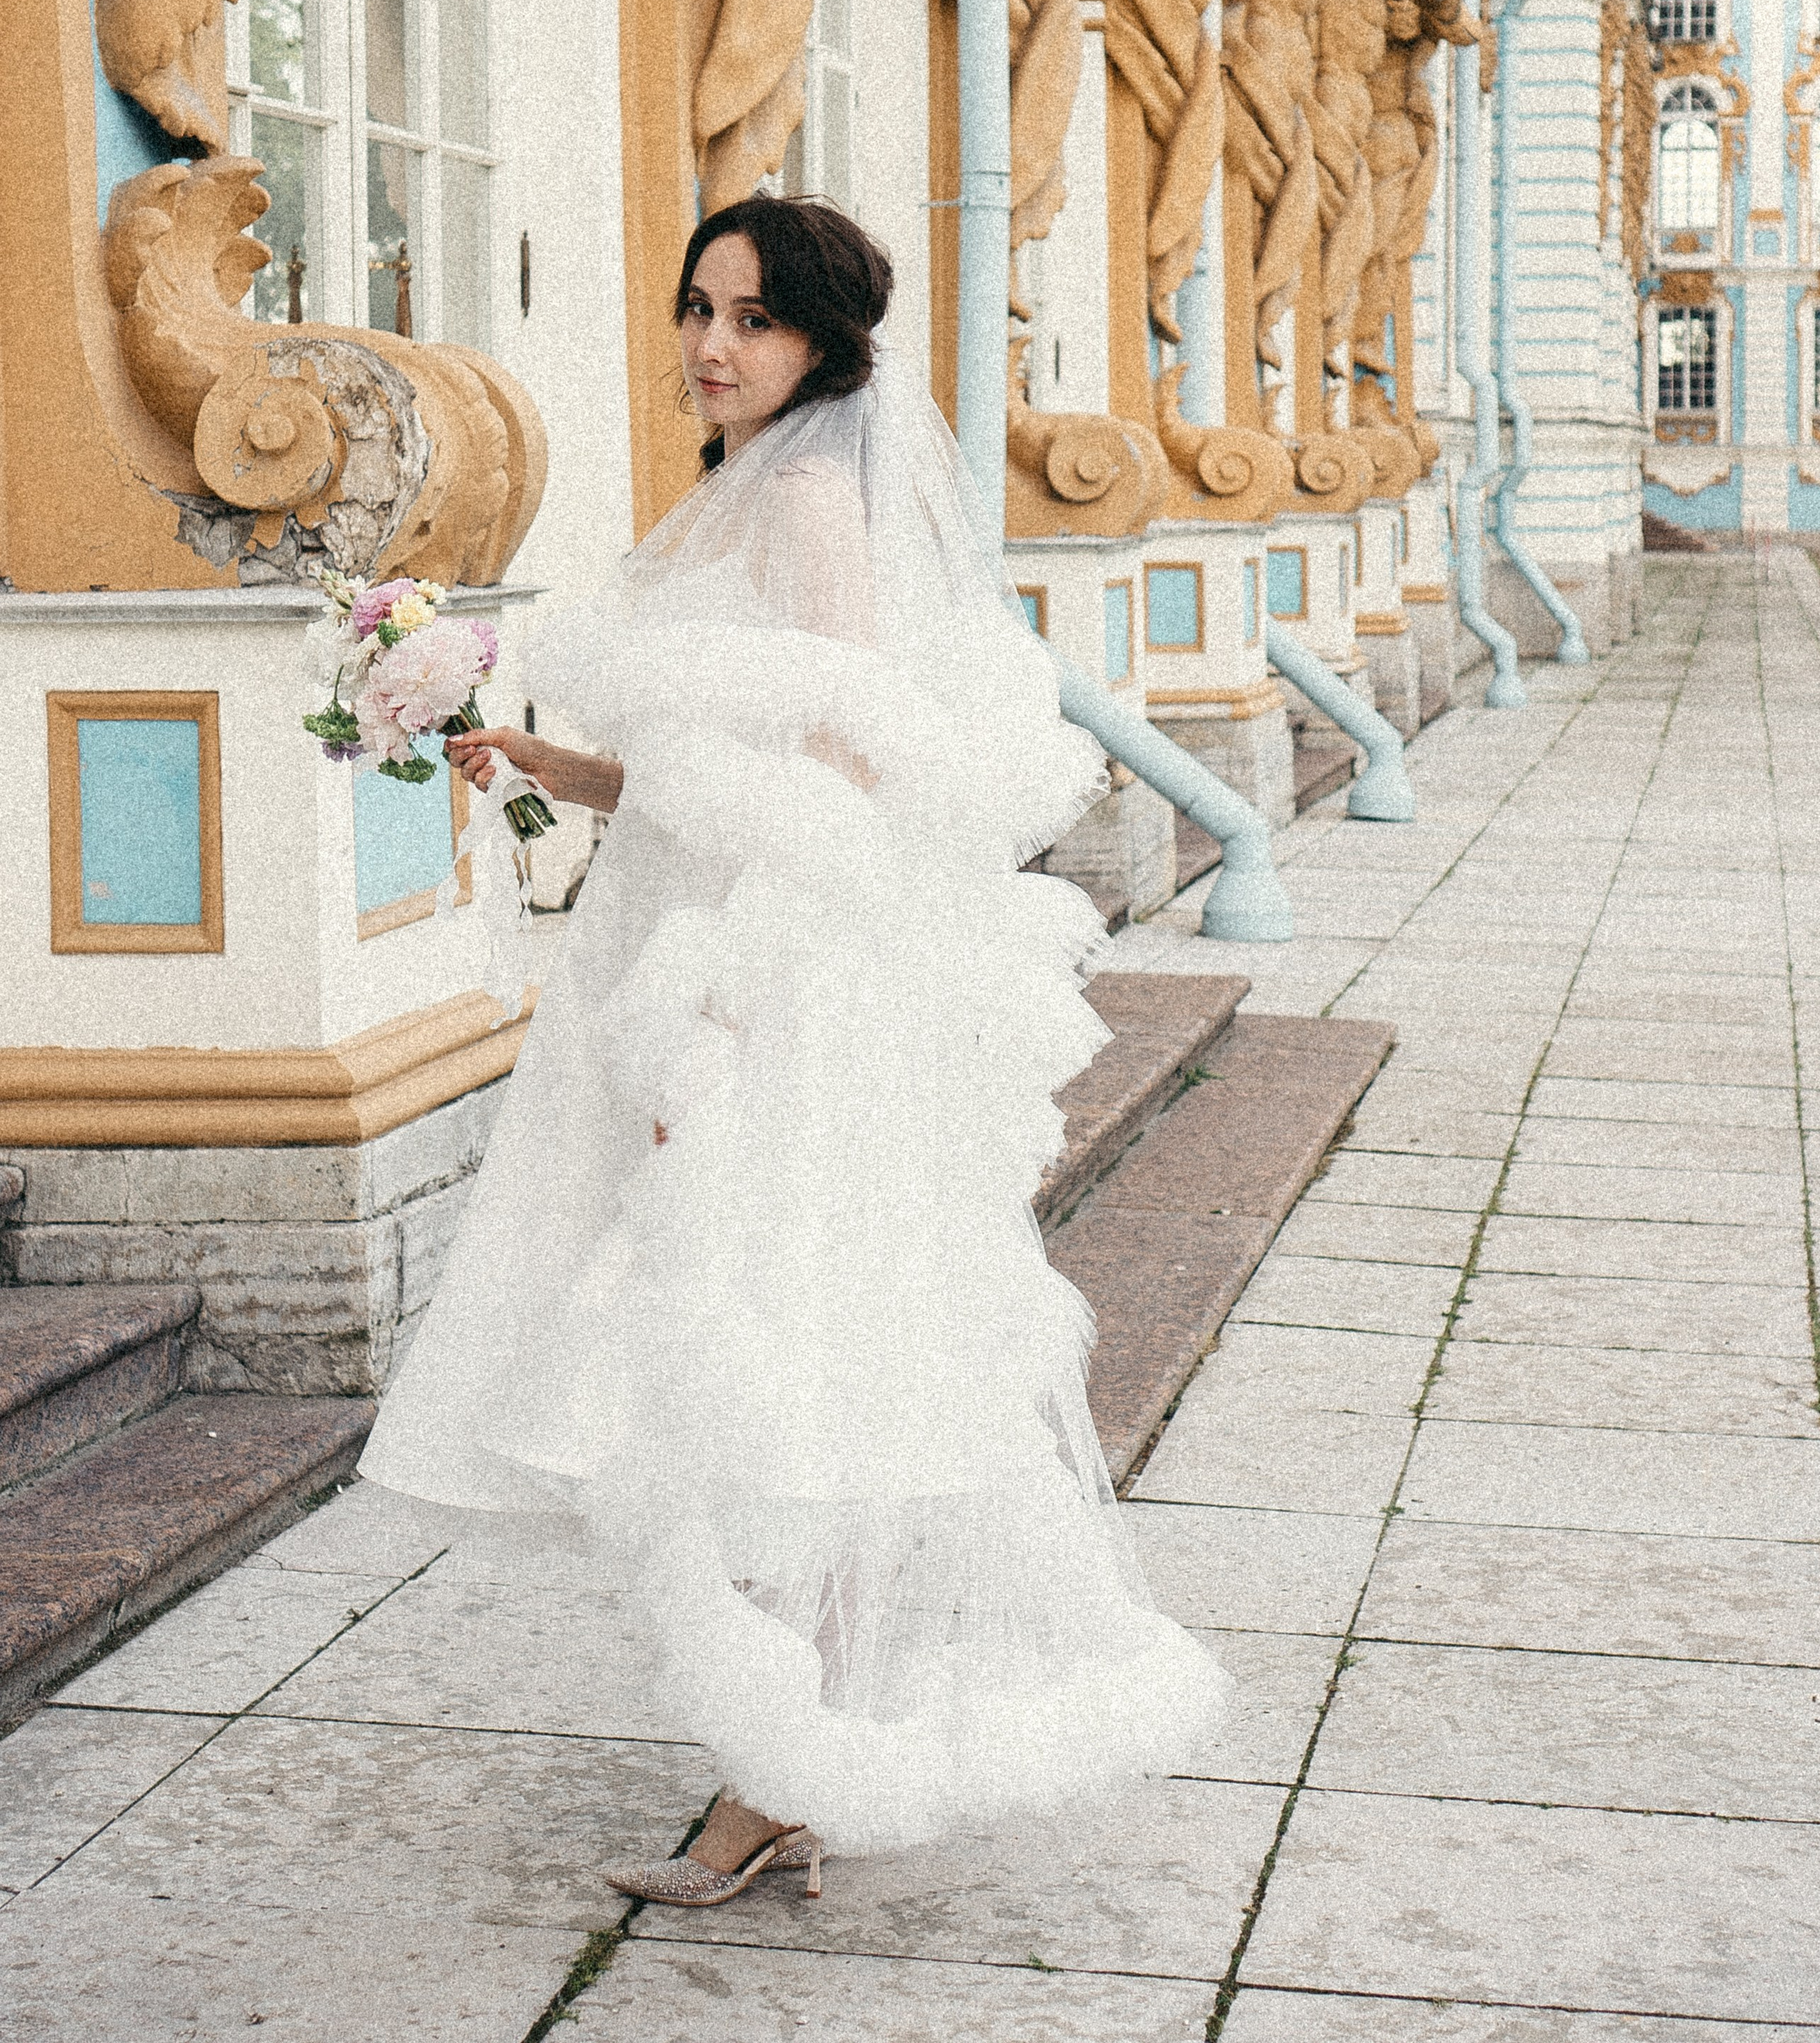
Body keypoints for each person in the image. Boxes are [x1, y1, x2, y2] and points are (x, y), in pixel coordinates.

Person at [359, 193, 1226, 1903]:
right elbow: (717, 771)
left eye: (749, 318)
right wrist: (535, 759)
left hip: (766, 980)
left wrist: (722, 1024)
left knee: (776, 1351)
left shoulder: (820, 497)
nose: (708, 345)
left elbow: (838, 781)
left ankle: (781, 1770)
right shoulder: (744, 485)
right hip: (695, 947)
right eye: (696, 307)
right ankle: (791, 1753)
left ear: (822, 339)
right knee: (759, 1355)